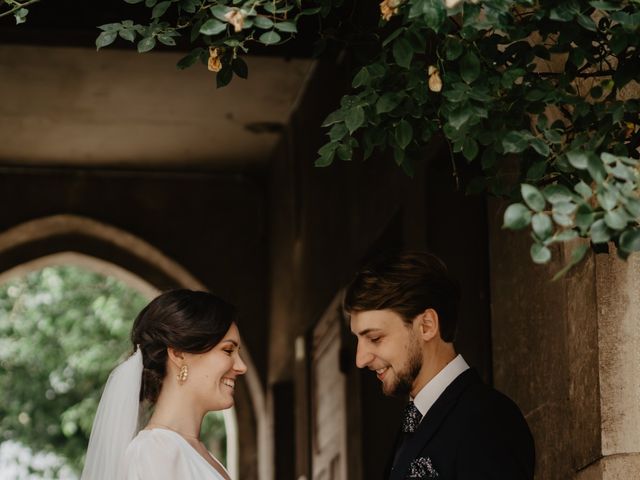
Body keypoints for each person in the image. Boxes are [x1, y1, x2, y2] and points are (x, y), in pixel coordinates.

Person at [344, 251, 535, 480]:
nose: (360, 359)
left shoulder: (487, 421)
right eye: (358, 339)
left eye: (374, 338)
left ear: (426, 325)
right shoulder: (414, 423)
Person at [81, 289, 247, 480]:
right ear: (178, 354)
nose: (242, 367)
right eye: (228, 350)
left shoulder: (194, 452)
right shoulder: (157, 452)